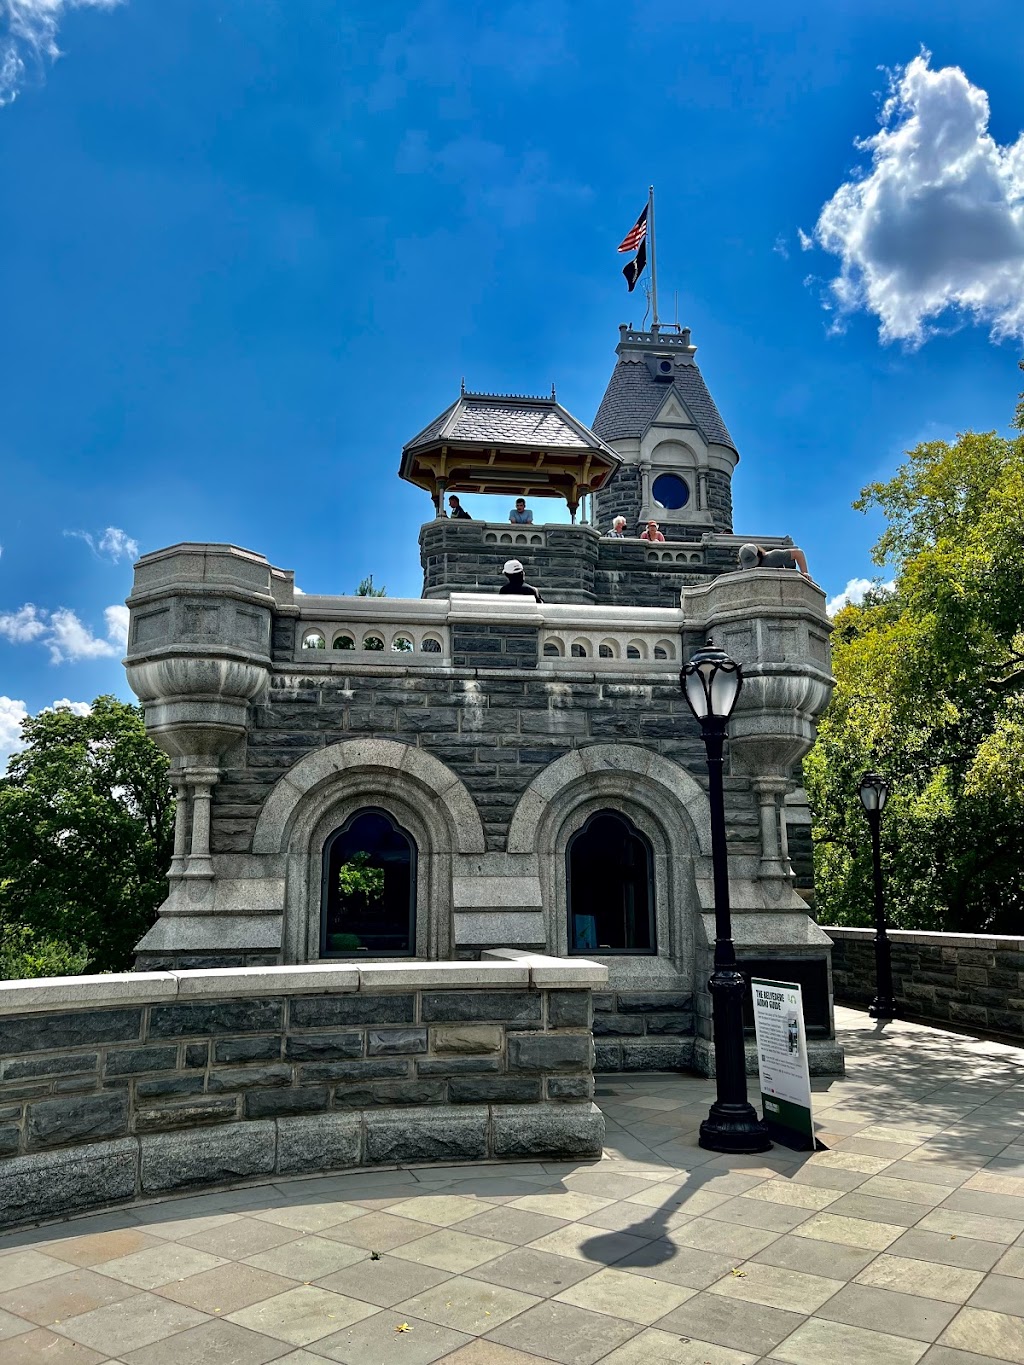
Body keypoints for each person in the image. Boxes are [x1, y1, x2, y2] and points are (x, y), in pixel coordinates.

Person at [737, 543, 811, 577]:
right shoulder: (746, 569)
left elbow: (798, 553)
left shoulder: (773, 557)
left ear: (759, 554)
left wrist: (805, 573)